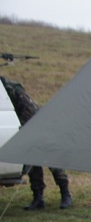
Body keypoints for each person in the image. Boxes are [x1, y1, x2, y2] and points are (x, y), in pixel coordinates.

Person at [0, 76, 73, 210]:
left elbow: (29, 109)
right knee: (32, 162)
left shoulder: (10, 88)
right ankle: (38, 198)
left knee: (51, 159)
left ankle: (65, 193)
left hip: (36, 122)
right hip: (23, 124)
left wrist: (27, 130)